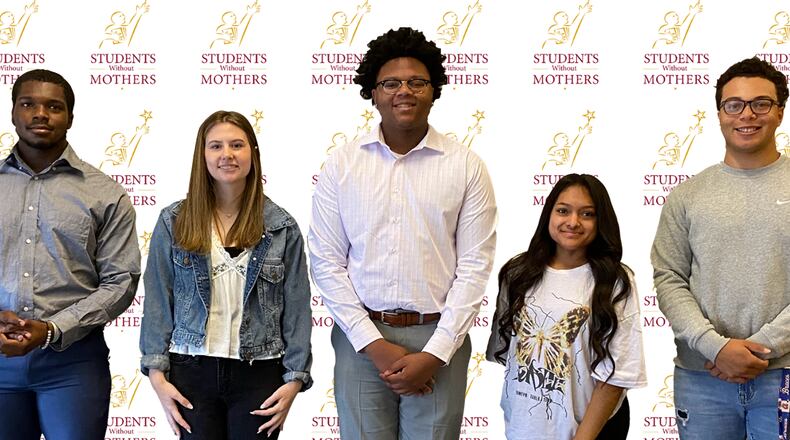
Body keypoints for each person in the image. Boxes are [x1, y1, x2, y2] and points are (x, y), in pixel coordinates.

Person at [308, 27, 497, 439]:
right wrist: (373, 344)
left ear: (435, 90)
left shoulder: (466, 167)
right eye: (391, 83)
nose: (404, 91)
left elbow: (474, 268)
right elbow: (325, 262)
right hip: (360, 340)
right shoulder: (341, 166)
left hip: (439, 340)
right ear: (373, 93)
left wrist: (436, 352)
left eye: (417, 82)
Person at [139, 110, 312, 439]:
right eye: (215, 146)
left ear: (253, 153)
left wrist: (295, 377)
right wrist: (156, 374)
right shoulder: (173, 221)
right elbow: (159, 297)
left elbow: (298, 306)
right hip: (190, 368)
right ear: (202, 155)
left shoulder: (281, 226)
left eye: (237, 145)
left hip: (260, 371)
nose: (227, 155)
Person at [652, 56, 790, 439]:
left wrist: (758, 349)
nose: (747, 114)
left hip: (783, 373)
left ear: (779, 112)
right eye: (734, 104)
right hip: (702, 379)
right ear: (719, 114)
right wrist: (715, 347)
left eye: (761, 103)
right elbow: (669, 279)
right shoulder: (687, 196)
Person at [0, 69, 141, 439]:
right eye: (28, 104)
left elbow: (121, 281)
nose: (40, 114)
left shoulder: (105, 193)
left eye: (54, 106)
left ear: (71, 118)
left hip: (73, 366)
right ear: (13, 112)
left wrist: (52, 330)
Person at [487, 174, 646, 440]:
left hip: (592, 431)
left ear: (600, 221)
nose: (573, 222)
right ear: (549, 213)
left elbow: (616, 375)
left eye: (587, 214)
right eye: (563, 211)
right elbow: (511, 360)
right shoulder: (516, 274)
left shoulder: (615, 281)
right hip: (525, 429)